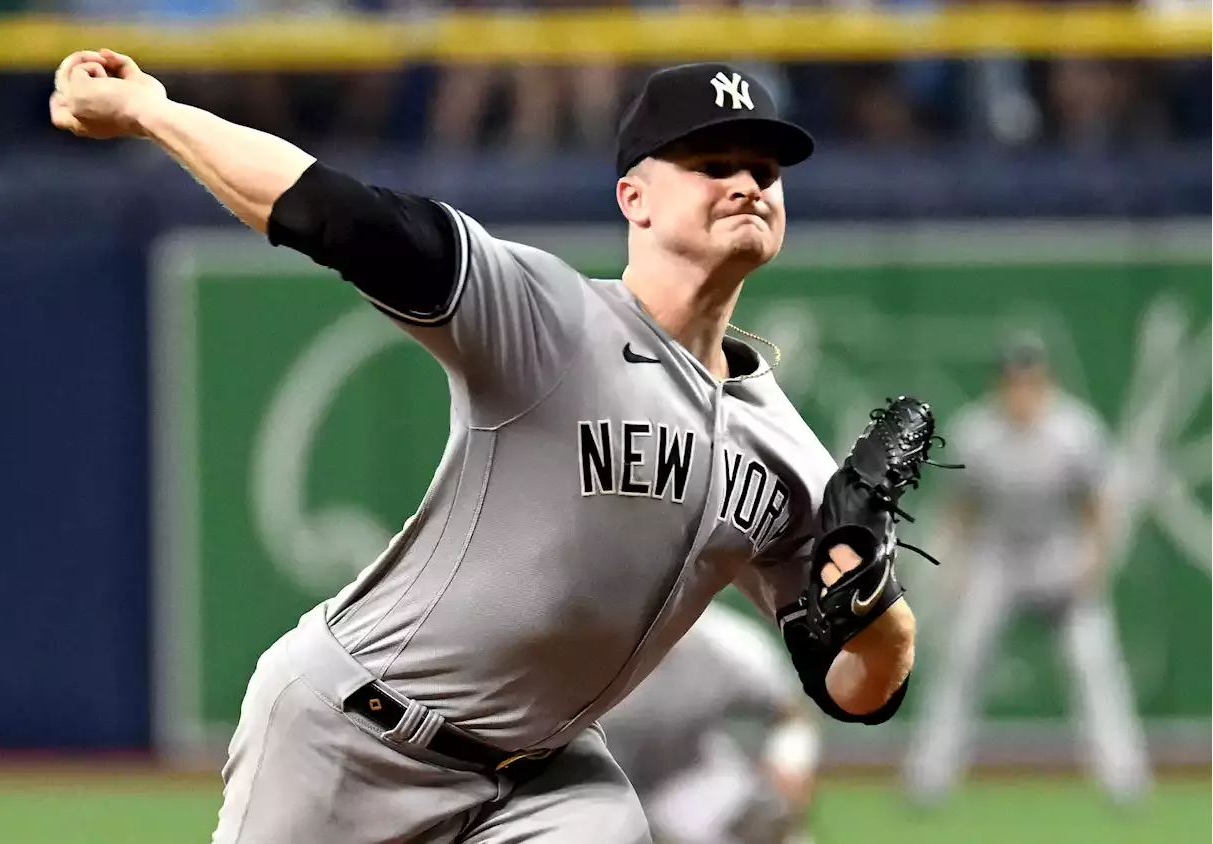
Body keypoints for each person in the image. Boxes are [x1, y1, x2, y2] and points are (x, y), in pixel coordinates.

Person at [51, 52, 919, 843]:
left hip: (543, 779)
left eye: (765, 171)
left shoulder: (787, 453)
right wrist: (155, 112)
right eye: (713, 165)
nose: (747, 184)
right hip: (352, 731)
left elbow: (854, 688)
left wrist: (879, 613)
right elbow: (335, 213)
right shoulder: (546, 317)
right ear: (635, 198)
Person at [902, 333, 1151, 805]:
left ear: (1045, 381)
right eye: (1013, 381)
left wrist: (1095, 561)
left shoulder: (1075, 430)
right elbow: (960, 507)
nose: (1021, 390)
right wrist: (953, 566)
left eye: (1030, 380)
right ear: (1001, 384)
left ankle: (1125, 780)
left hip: (1059, 553)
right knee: (961, 662)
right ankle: (928, 778)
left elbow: (1100, 503)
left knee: (1093, 665)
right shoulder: (978, 431)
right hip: (998, 558)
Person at [601, 601, 820, 844]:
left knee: (772, 828)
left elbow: (790, 711)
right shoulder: (568, 643)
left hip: (690, 779)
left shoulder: (725, 642)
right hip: (589, 789)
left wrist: (790, 762)